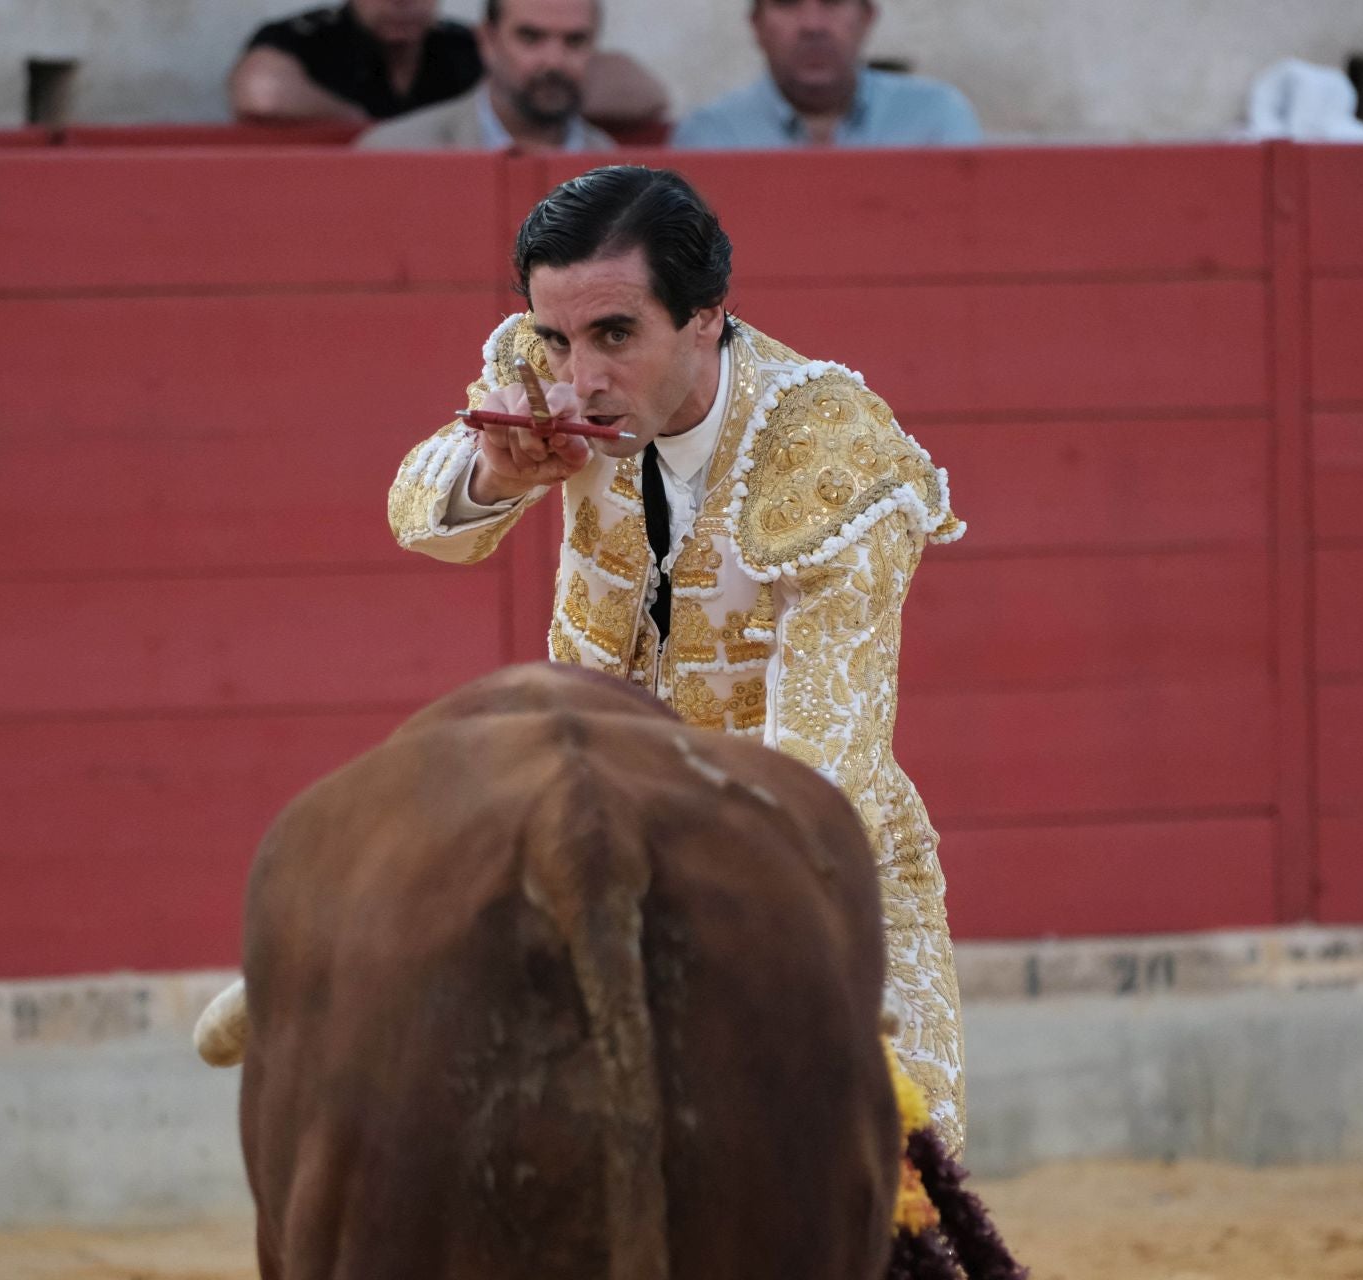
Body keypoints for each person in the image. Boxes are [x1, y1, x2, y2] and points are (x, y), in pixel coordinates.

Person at [384, 165, 969, 1148]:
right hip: (580, 821)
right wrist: (490, 467)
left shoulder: (832, 454)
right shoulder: (543, 365)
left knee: (900, 1172)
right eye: (557, 336)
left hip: (797, 865)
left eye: (616, 334)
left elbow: (822, 770)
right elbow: (423, 521)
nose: (582, 374)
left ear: (706, 317)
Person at [229, 0, 665, 136]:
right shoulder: (314, 36)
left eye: (573, 41)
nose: (403, 2)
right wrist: (357, 122)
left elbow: (645, 94)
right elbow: (261, 91)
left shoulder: (456, 45)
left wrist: (545, 83)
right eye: (533, 38)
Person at [672, 0, 977, 149]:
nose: (812, 25)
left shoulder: (935, 118)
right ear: (756, 25)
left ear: (866, 18)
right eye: (787, 3)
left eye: (832, 1)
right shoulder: (712, 134)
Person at [359, 0, 614, 153]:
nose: (554, 61)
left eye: (575, 40)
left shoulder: (618, 168)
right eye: (530, 37)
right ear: (487, 42)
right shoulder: (397, 150)